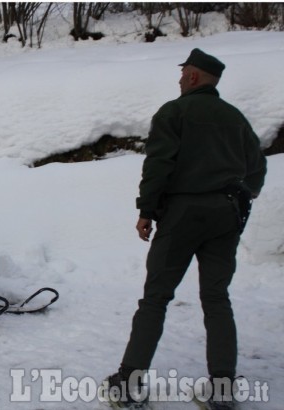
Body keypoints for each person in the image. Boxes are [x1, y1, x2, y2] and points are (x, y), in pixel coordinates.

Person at [103, 49, 267, 410]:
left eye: (182, 74)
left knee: (156, 297)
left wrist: (146, 210)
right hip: (225, 215)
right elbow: (257, 168)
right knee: (217, 298)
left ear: (193, 76)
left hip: (182, 214)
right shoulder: (235, 118)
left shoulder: (174, 112)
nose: (179, 80)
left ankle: (128, 385)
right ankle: (221, 391)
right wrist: (243, 196)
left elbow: (158, 165)